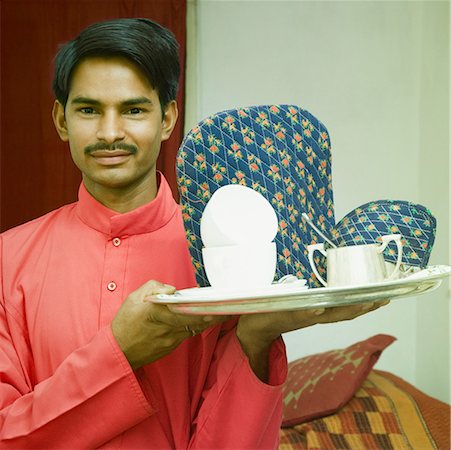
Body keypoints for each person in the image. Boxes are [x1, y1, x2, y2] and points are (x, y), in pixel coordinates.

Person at [0, 18, 385, 449]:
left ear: (167, 118)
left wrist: (256, 338)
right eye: (89, 110)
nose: (110, 133)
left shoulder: (223, 257)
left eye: (133, 110)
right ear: (61, 119)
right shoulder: (8, 259)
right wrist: (120, 353)